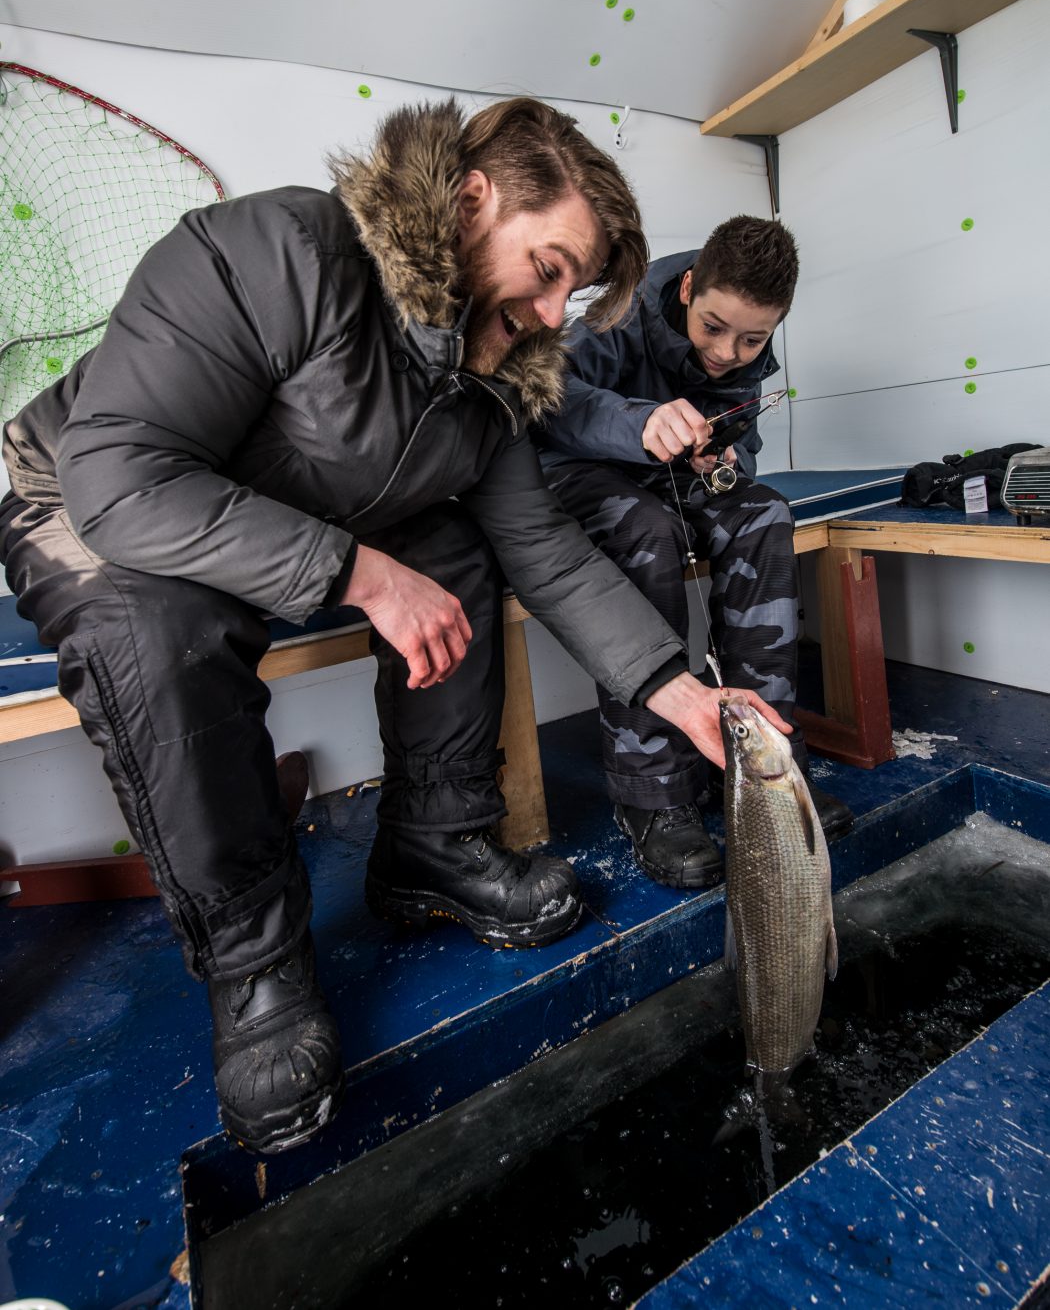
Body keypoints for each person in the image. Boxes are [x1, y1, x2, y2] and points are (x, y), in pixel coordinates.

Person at [0, 100, 789, 1156]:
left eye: (576, 289)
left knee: (458, 553)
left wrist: (678, 689)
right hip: (95, 495)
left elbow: (540, 547)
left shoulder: (498, 369)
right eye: (548, 267)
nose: (558, 313)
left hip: (297, 505)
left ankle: (430, 842)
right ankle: (254, 960)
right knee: (158, 631)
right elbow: (121, 476)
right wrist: (358, 570)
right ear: (472, 202)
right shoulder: (281, 250)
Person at [535, 216, 854, 890]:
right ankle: (651, 794)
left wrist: (727, 454)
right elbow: (548, 401)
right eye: (713, 327)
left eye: (752, 338)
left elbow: (747, 437)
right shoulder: (618, 311)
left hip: (670, 473)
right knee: (644, 529)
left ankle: (765, 767)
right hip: (579, 471)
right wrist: (639, 422)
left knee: (765, 511)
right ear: (686, 288)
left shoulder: (744, 345)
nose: (726, 351)